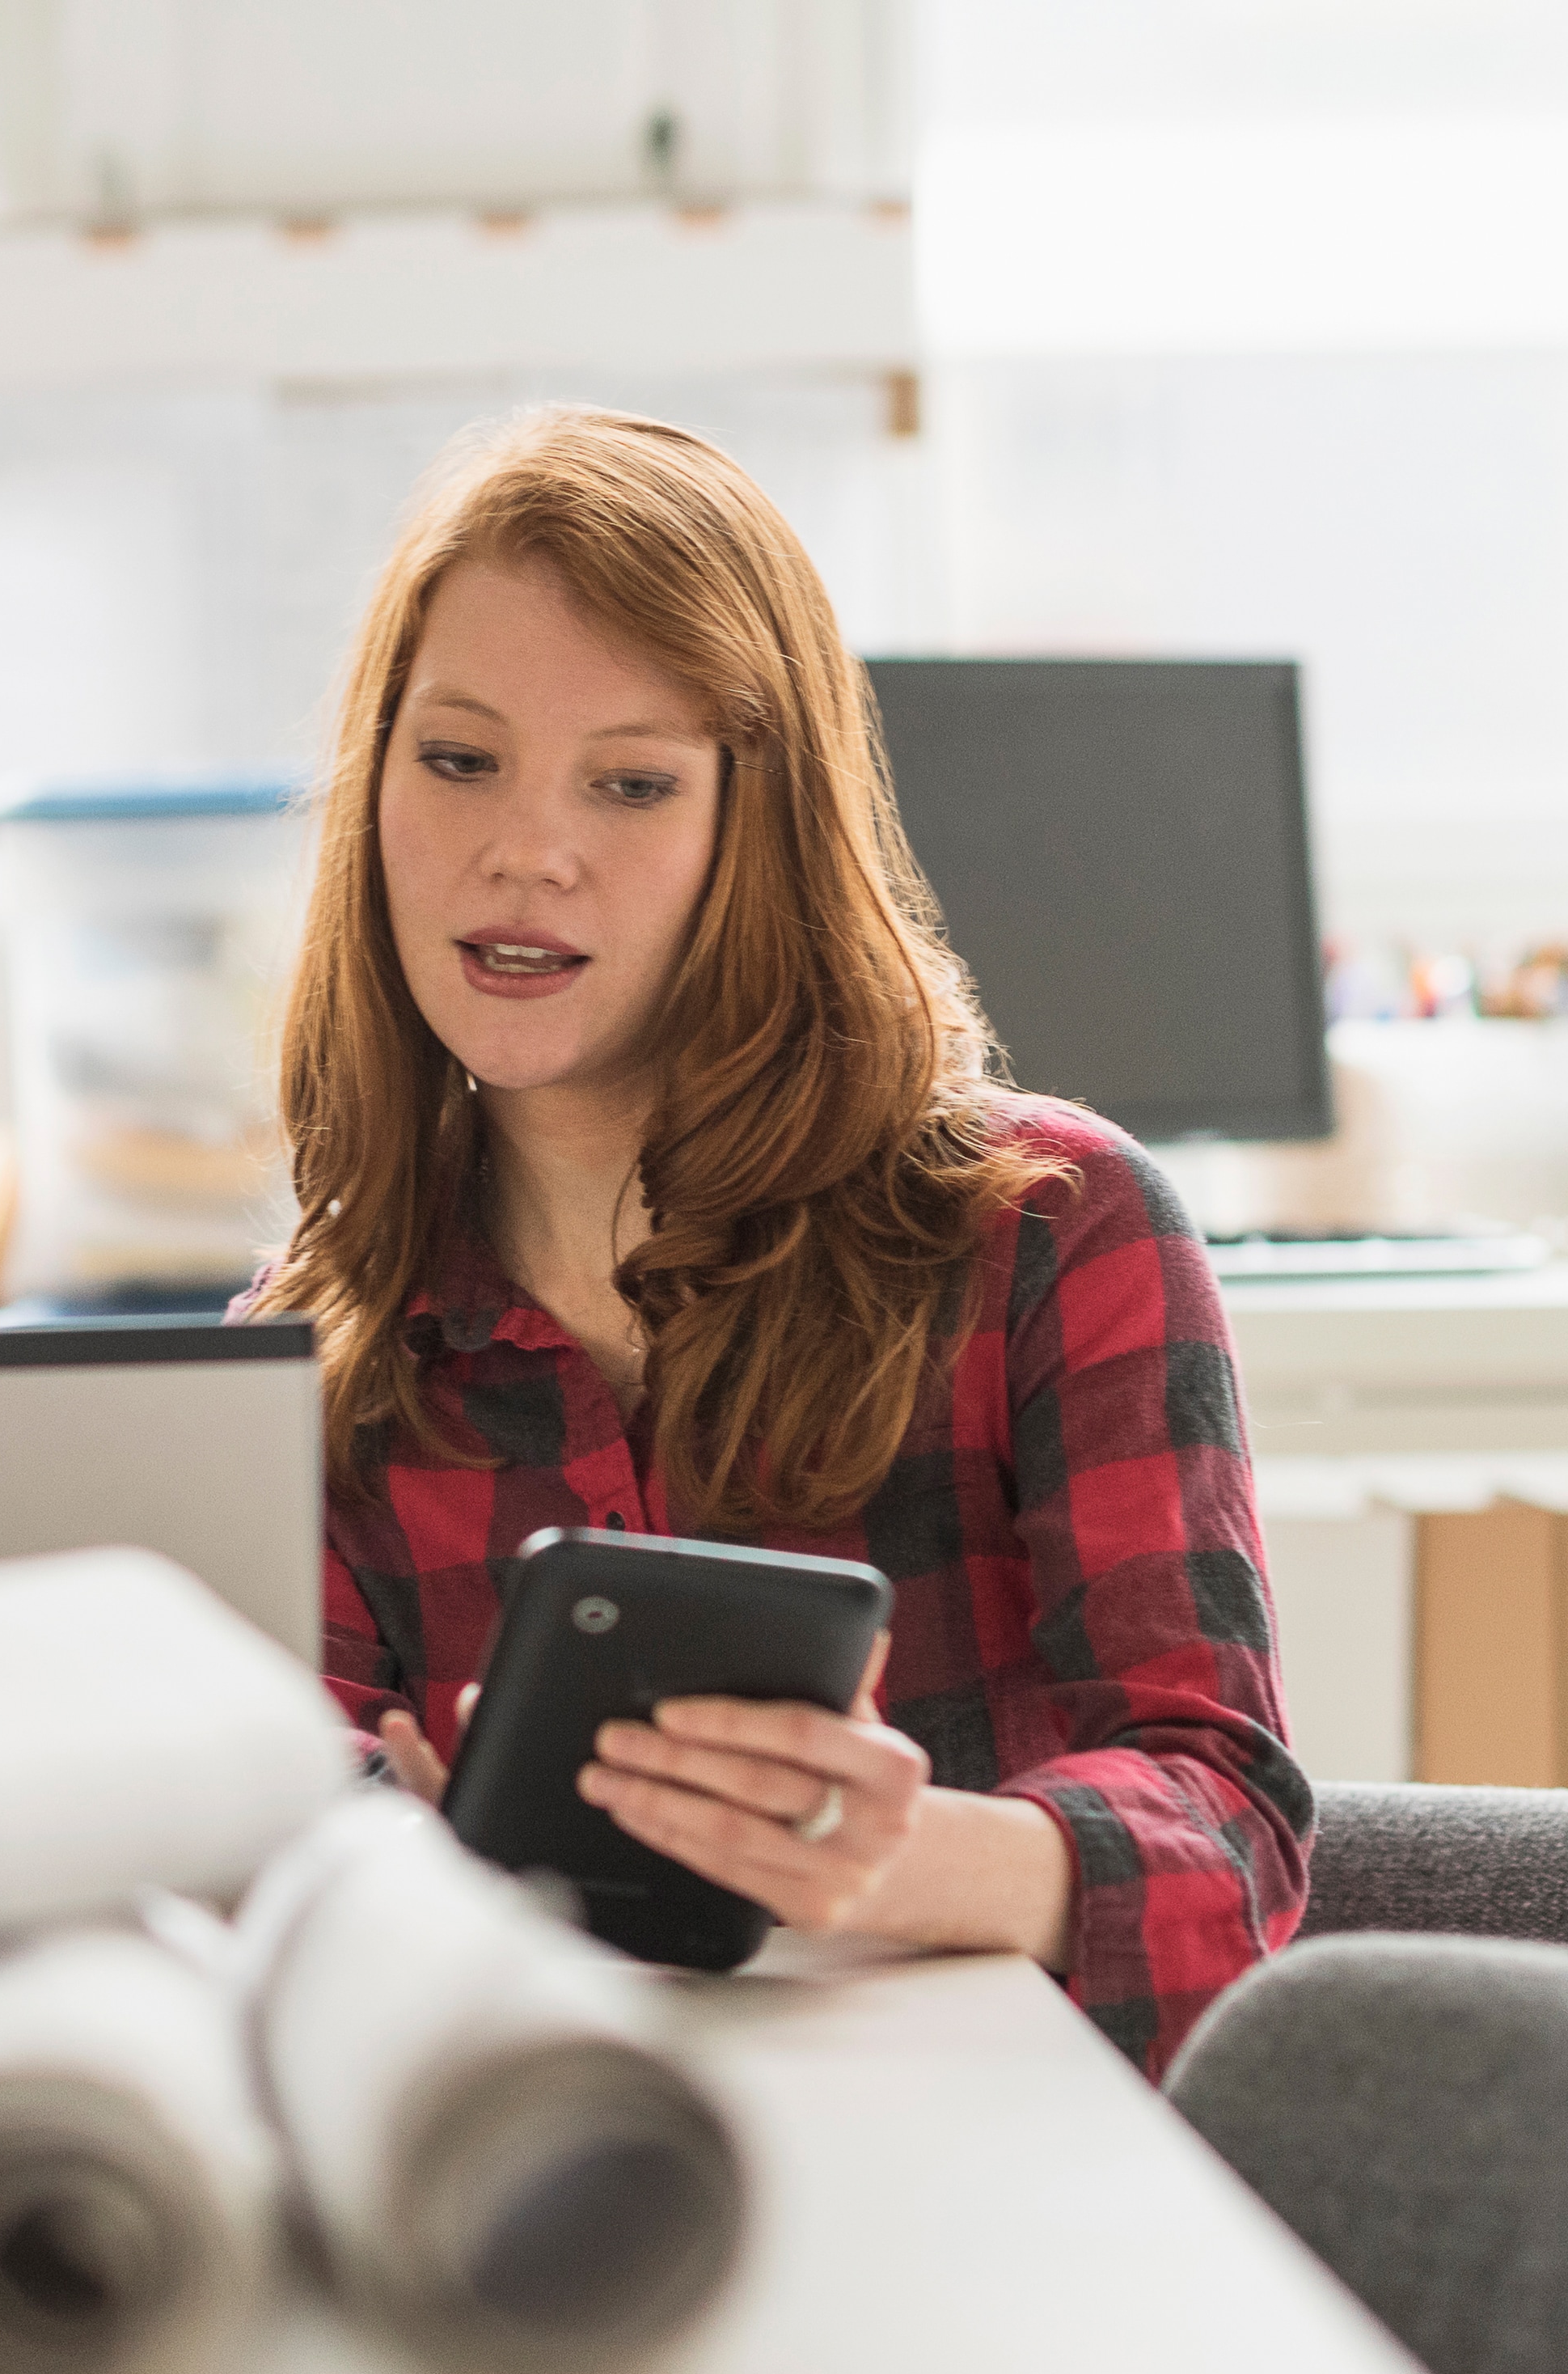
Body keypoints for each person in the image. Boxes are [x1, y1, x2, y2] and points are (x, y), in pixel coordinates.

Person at [256, 408, 1308, 2073]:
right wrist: (404, 1869)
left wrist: (899, 1855)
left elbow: (1232, 1840)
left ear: (762, 828)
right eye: (457, 759)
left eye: (632, 782)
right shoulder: (314, 1356)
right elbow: (268, 1888)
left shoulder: (1052, 1233)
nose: (524, 849)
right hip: (556, 2174)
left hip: (1016, 2176)